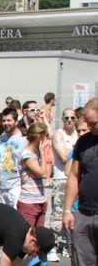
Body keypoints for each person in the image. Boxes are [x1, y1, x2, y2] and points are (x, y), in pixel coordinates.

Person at [57, 97, 98, 266]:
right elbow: (73, 176)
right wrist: (66, 210)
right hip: (84, 212)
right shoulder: (83, 143)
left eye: (93, 123)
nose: (89, 127)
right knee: (85, 265)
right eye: (88, 123)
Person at [50, 108, 78, 256]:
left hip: (76, 178)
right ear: (62, 119)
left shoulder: (78, 135)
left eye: (72, 118)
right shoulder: (58, 134)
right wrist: (74, 152)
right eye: (67, 118)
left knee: (73, 213)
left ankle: (69, 244)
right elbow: (63, 156)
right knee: (58, 212)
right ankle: (52, 246)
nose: (69, 121)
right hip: (61, 177)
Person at [17, 122, 52, 227]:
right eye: (45, 136)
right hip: (29, 203)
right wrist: (43, 152)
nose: (47, 140)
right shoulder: (26, 155)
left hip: (40, 200)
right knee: (28, 237)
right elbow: (43, 173)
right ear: (38, 138)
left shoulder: (35, 153)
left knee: (39, 236)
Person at [0, 107, 26, 208]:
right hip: (0, 187)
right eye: (3, 121)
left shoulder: (23, 140)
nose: (6, 123)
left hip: (15, 187)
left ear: (16, 121)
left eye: (9, 120)